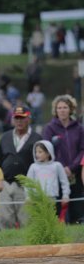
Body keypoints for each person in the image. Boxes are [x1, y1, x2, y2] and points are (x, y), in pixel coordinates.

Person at [0, 106, 42, 229]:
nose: (19, 121)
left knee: (26, 220)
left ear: (28, 119)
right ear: (12, 120)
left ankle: (25, 242)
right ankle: (8, 241)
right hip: (5, 183)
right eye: (16, 118)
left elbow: (41, 163)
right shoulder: (5, 137)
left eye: (22, 118)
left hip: (26, 185)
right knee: (5, 218)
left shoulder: (37, 138)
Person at [42, 95, 84, 224]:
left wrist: (71, 168)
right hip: (55, 175)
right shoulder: (49, 128)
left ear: (71, 109)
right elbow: (46, 150)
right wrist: (61, 168)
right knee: (59, 211)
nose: (62, 110)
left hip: (75, 174)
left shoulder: (79, 128)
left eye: (65, 107)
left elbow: (82, 150)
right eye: (59, 108)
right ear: (55, 110)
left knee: (77, 209)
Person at [28, 141, 70, 217]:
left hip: (52, 200)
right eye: (36, 152)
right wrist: (28, 197)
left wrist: (65, 195)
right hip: (37, 201)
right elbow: (28, 184)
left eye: (40, 152)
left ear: (48, 153)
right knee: (40, 220)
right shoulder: (33, 167)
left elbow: (64, 182)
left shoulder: (57, 165)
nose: (37, 154)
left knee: (52, 219)